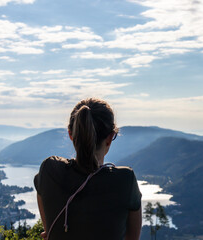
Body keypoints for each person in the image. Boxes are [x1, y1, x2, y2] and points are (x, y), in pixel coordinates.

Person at [34, 98, 142, 240]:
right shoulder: (125, 181)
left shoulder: (50, 170)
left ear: (71, 135)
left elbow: (50, 227)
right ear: (109, 138)